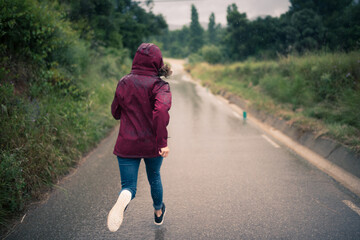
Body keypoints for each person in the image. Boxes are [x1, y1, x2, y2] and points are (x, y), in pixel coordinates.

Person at [107, 43, 172, 232]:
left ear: (136, 59)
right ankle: (158, 213)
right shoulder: (160, 86)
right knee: (154, 177)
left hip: (127, 143)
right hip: (153, 145)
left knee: (128, 186)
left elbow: (115, 112)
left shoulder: (124, 82)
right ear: (157, 62)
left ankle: (125, 195)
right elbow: (160, 111)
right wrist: (163, 143)